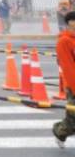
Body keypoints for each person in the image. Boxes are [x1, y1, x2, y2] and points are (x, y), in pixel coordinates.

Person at [54, 11, 75, 148]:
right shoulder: (64, 41)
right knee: (72, 121)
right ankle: (59, 131)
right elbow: (67, 67)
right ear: (69, 24)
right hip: (73, 85)